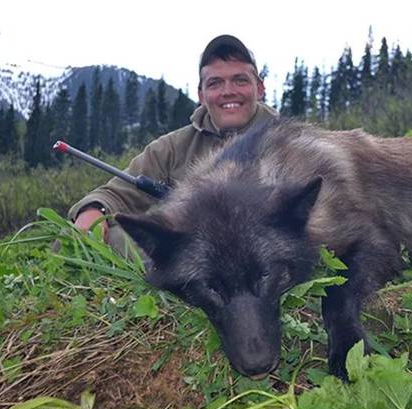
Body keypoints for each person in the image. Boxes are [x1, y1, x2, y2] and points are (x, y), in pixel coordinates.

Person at [68, 35, 278, 249]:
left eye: (240, 80)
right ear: (201, 95)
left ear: (259, 88)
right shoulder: (172, 148)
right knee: (75, 241)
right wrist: (94, 209)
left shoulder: (291, 143)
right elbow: (118, 192)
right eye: (215, 83)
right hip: (189, 254)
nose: (228, 91)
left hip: (264, 252)